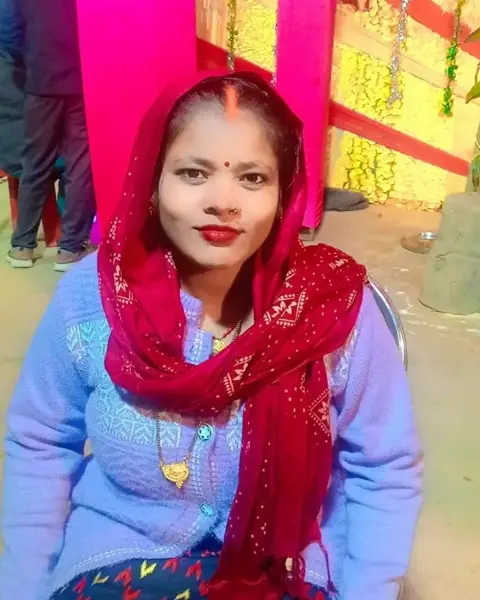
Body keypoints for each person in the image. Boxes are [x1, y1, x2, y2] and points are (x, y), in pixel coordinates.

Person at [0, 71, 423, 600]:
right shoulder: (95, 296)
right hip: (117, 560)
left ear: (285, 191)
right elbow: (40, 443)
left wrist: (368, 589)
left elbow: (383, 469)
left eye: (252, 178)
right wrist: (24, 585)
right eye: (193, 173)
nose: (223, 201)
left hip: (285, 569)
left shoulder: (332, 309)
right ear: (152, 181)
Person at [6, 0, 95, 272]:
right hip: (81, 80)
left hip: (40, 81)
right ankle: (70, 248)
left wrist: (33, 59)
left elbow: (9, 32)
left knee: (35, 161)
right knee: (79, 164)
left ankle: (22, 246)